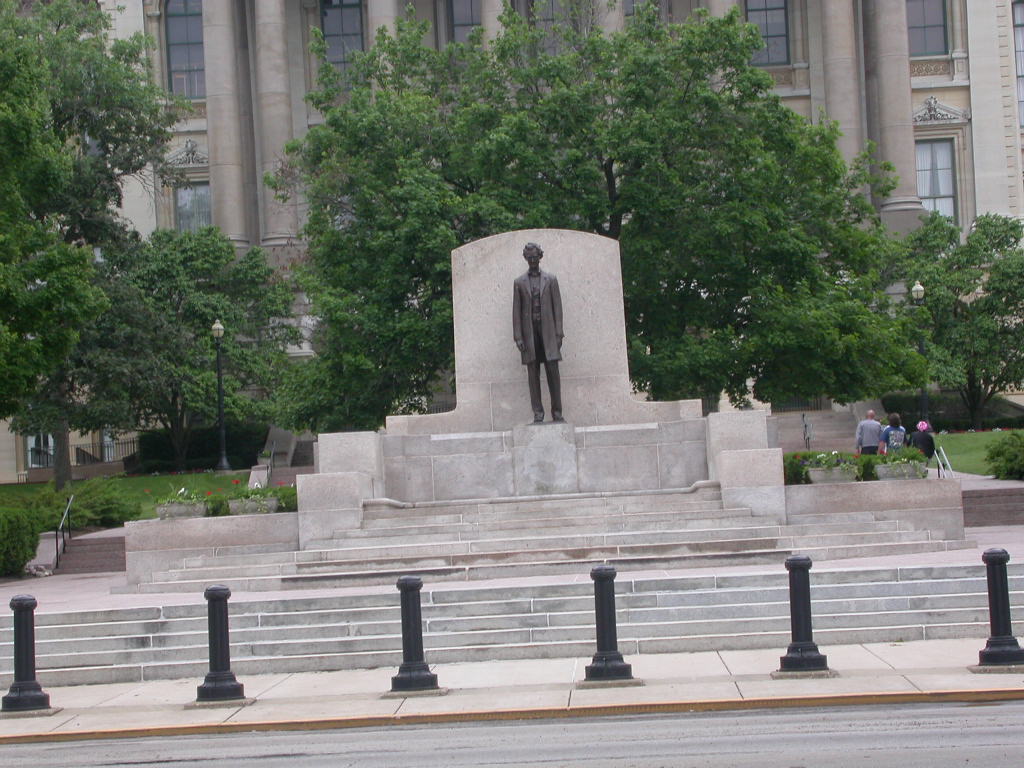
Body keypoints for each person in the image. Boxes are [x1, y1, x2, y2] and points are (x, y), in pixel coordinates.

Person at [512, 242, 564, 423]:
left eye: (535, 257)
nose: (532, 260)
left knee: (553, 372)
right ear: (526, 259)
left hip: (548, 332)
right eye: (529, 258)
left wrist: (559, 334)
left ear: (540, 256)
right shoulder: (519, 283)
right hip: (529, 333)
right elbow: (516, 311)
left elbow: (558, 308)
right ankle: (538, 413)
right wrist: (518, 336)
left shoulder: (551, 280)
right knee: (533, 374)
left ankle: (557, 412)